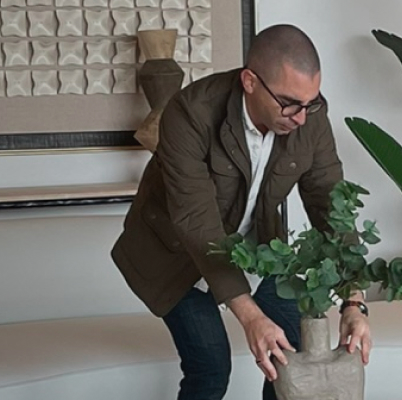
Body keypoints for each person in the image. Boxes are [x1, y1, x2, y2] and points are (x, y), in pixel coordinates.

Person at [109, 24, 371, 400]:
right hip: (177, 256)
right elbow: (197, 223)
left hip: (258, 249)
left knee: (289, 354)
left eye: (309, 102)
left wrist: (353, 299)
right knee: (211, 367)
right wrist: (250, 317)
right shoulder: (190, 114)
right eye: (289, 103)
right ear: (249, 81)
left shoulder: (308, 116)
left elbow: (330, 202)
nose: (300, 117)